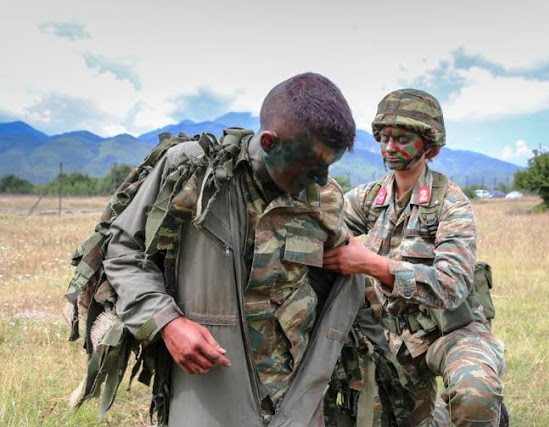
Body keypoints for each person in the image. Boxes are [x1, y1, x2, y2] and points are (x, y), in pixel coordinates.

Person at [102, 72, 365, 426]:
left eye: (328, 168)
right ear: (269, 143)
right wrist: (168, 322)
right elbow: (125, 251)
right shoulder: (195, 171)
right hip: (211, 391)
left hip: (295, 399)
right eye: (311, 167)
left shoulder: (325, 197)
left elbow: (341, 281)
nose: (320, 181)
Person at [323, 89, 506, 426]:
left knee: (474, 395)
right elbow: (327, 221)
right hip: (395, 341)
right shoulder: (373, 196)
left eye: (402, 138)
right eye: (384, 137)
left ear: (430, 146)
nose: (389, 147)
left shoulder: (451, 203)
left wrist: (371, 264)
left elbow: (452, 286)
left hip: (451, 330)